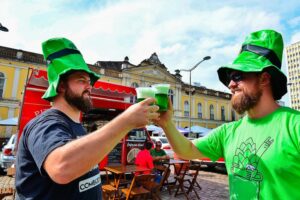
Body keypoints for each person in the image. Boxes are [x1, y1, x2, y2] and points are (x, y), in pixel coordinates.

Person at [155, 29, 300, 199]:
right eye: (230, 77)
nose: (230, 84)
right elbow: (187, 150)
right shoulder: (228, 132)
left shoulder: (294, 126)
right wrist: (166, 123)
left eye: (238, 76)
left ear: (264, 79)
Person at [15, 37, 160, 200]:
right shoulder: (46, 123)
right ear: (61, 86)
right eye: (81, 80)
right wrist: (126, 121)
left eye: (90, 82)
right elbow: (61, 168)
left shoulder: (76, 127)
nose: (89, 86)